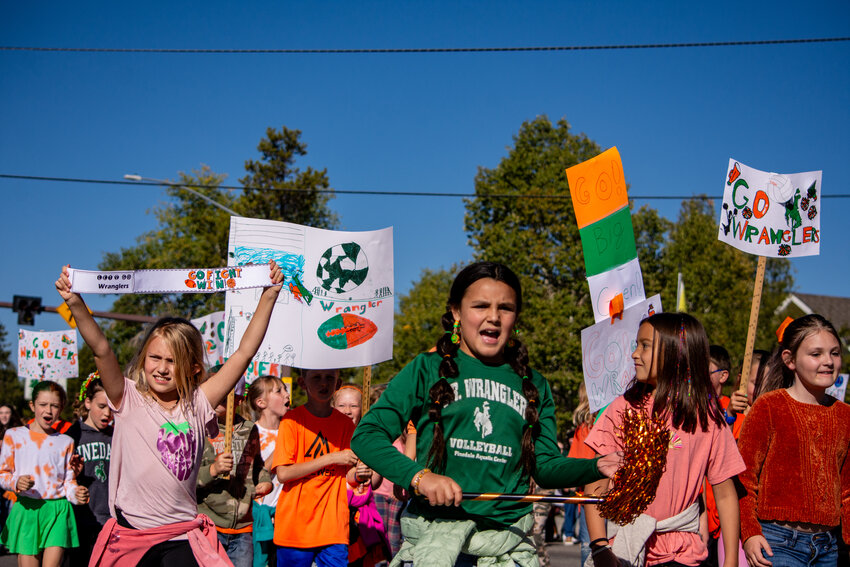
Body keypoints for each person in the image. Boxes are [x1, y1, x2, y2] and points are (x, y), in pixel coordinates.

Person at [351, 261, 620, 566]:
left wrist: (596, 466)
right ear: (456, 312)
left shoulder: (536, 385)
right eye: (480, 306)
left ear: (515, 317)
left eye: (505, 308)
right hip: (436, 544)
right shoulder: (424, 369)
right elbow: (367, 435)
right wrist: (419, 478)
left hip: (508, 545)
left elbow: (544, 467)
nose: (493, 317)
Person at [55, 261, 283, 567]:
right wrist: (74, 302)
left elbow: (243, 353)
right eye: (155, 358)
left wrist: (268, 296)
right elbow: (102, 350)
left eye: (172, 361)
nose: (162, 368)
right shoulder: (126, 397)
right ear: (144, 358)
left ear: (192, 368)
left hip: (180, 537)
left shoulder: (199, 402)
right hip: (133, 535)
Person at [584, 312, 745, 567]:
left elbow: (725, 494)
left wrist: (731, 562)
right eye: (637, 345)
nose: (635, 354)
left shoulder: (707, 417)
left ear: (676, 354)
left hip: (683, 554)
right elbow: (595, 482)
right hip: (625, 551)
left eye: (645, 346)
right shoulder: (621, 407)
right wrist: (599, 546)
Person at [737, 314, 848, 567]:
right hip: (777, 542)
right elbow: (744, 478)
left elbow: (848, 490)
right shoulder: (769, 406)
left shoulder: (846, 415)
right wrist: (750, 532)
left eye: (834, 353)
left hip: (829, 546)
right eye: (816, 354)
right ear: (789, 359)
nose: (828, 361)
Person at [270, 368, 359, 567]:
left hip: (333, 525)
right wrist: (330, 458)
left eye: (329, 378)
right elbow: (283, 473)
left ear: (338, 384)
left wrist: (361, 474)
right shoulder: (291, 420)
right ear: (302, 383)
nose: (323, 383)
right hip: (295, 526)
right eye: (316, 378)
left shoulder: (346, 425)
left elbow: (350, 476)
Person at [0, 381, 88, 567]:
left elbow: (68, 482)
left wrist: (76, 494)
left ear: (61, 408)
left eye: (54, 406)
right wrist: (16, 482)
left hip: (58, 510)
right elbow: (3, 474)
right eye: (43, 405)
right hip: (27, 509)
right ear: (32, 406)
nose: (48, 411)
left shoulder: (66, 441)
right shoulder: (13, 435)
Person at [197, 383, 273, 567]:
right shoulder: (198, 428)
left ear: (238, 399)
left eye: (227, 396)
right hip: (209, 525)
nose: (220, 398)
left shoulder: (248, 428)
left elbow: (257, 465)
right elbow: (186, 477)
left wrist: (264, 481)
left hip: (242, 528)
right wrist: (213, 470)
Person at [333, 384, 389, 567]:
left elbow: (375, 482)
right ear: (333, 407)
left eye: (354, 406)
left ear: (362, 409)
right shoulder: (327, 436)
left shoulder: (368, 438)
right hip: (332, 514)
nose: (347, 411)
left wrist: (371, 467)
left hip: (360, 520)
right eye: (342, 405)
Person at [67, 372, 114, 565]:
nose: (107, 414)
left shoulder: (116, 435)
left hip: (112, 522)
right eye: (101, 406)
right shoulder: (72, 435)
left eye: (111, 408)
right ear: (87, 403)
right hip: (81, 521)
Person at [246, 375, 290, 567]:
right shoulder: (250, 432)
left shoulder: (293, 429)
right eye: (279, 391)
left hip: (287, 513)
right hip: (260, 515)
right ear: (261, 402)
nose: (287, 394)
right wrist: (283, 447)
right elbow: (255, 473)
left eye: (285, 389)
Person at [567, 382, 598, 567]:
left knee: (589, 547)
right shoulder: (610, 421)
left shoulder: (584, 427)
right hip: (614, 493)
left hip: (589, 496)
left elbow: (575, 462)